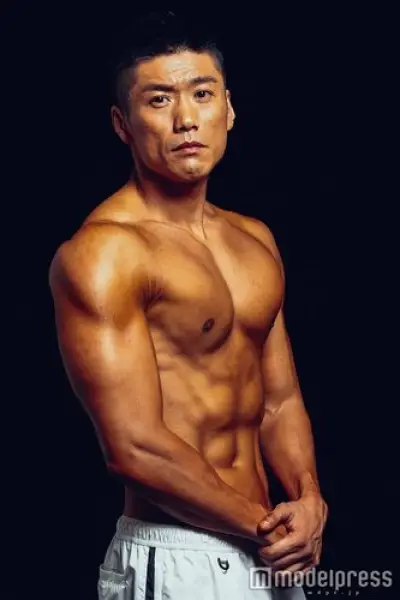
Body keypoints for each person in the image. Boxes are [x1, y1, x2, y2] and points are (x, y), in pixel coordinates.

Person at [49, 10, 328, 599]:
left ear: (228, 108)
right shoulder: (105, 253)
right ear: (122, 124)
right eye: (158, 100)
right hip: (178, 553)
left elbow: (279, 402)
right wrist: (268, 526)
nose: (185, 119)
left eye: (202, 94)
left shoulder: (254, 239)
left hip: (272, 550)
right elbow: (134, 448)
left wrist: (308, 500)